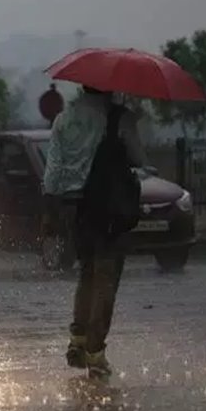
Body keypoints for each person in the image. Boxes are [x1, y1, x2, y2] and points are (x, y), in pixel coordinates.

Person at [43, 86, 148, 379]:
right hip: (108, 208)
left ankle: (77, 340)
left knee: (87, 272)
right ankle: (95, 353)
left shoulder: (64, 119)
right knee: (106, 277)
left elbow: (52, 174)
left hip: (74, 209)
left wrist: (51, 211)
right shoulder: (118, 117)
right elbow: (138, 158)